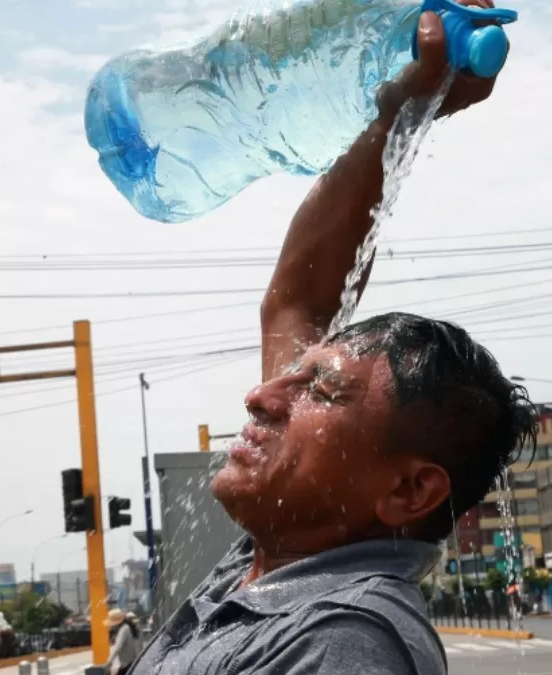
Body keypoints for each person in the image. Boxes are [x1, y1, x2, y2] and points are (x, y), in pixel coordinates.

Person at [130, 2, 531, 673]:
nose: (261, 394)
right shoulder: (278, 565)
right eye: (300, 373)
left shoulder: (342, 643)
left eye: (320, 388)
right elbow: (301, 297)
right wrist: (401, 115)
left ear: (407, 492)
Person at [104, 609, 140, 675]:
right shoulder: (126, 627)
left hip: (128, 664)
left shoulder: (124, 630)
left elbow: (118, 647)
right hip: (129, 663)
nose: (111, 626)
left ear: (116, 622)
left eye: (111, 624)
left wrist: (109, 661)